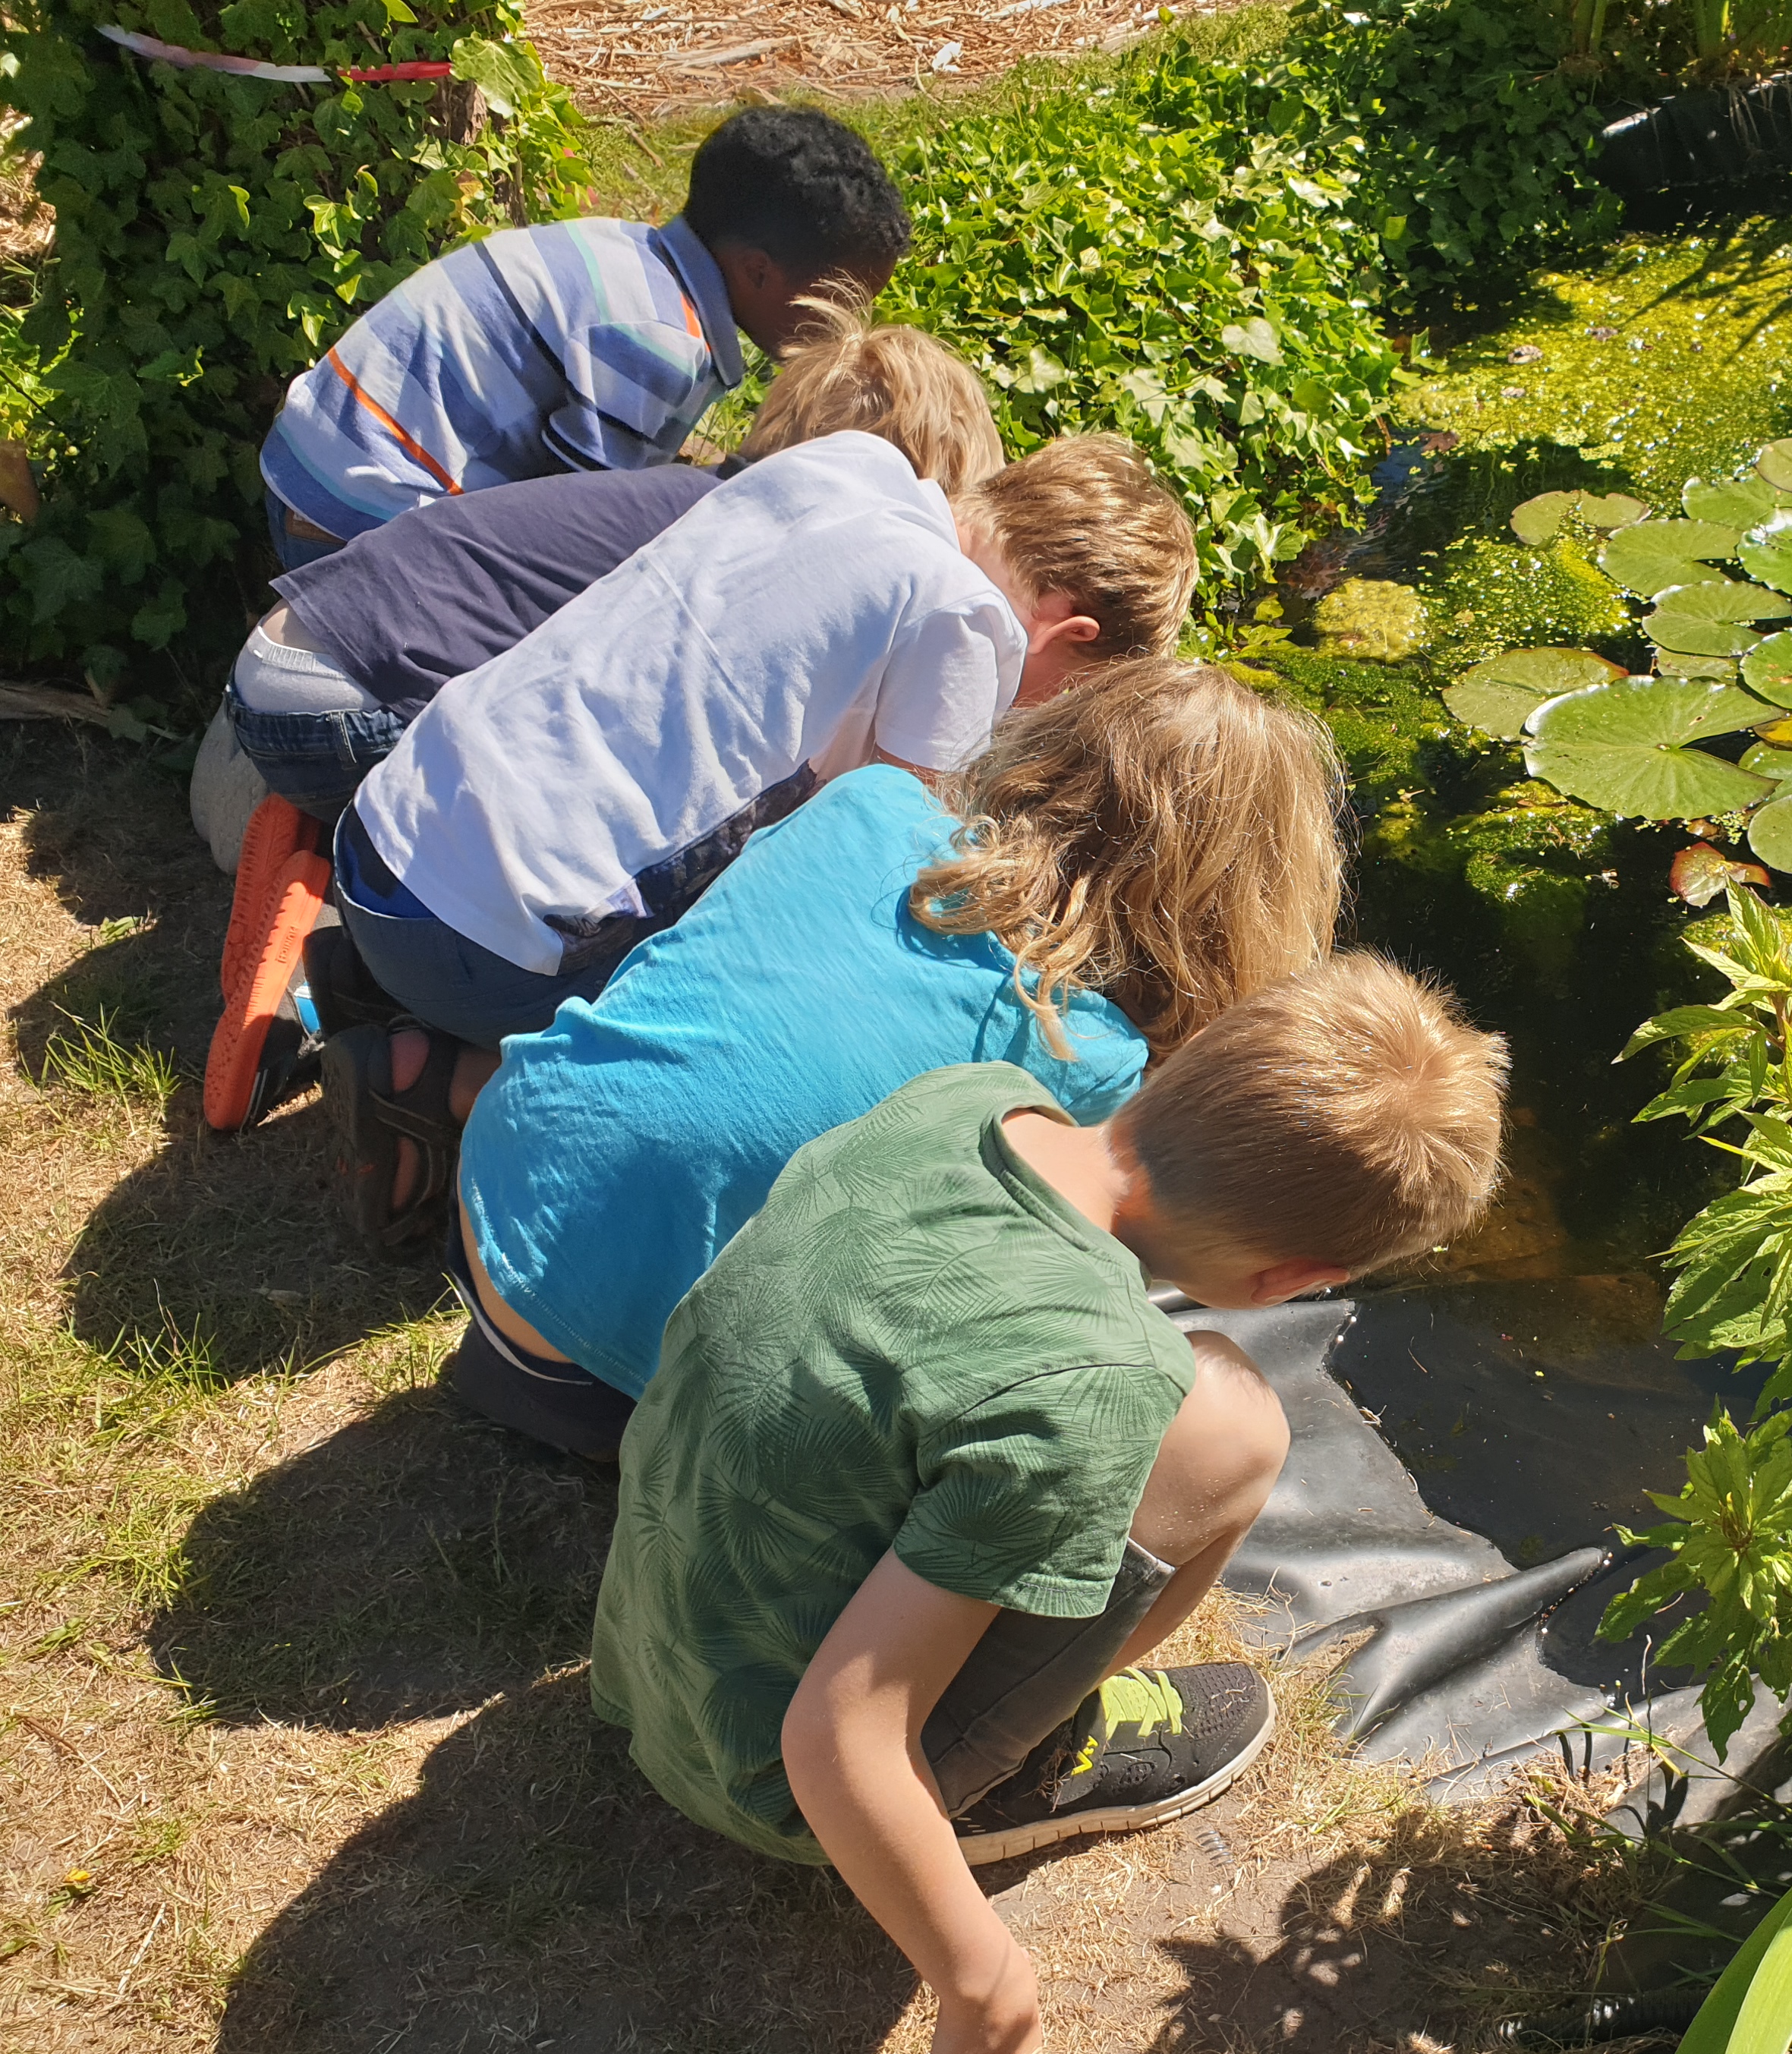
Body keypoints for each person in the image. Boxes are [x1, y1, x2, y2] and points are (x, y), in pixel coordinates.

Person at [588, 953, 1506, 2054]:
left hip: (643, 1640)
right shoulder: (1091, 1381)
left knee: (1129, 1411)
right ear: (1284, 1282)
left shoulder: (970, 1097)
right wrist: (980, 1977)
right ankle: (1033, 1756)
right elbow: (834, 1731)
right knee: (1231, 1418)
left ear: (1185, 1067)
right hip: (757, 1769)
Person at [363, 660, 1348, 1456]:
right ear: (1244, 906)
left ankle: (424, 1089)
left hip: (503, 1192)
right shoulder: (1090, 1057)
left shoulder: (873, 801)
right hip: (626, 1375)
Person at [324, 426, 1194, 1061]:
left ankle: (369, 992)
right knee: (767, 1019)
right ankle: (440, 1085)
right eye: (1068, 700)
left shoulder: (854, 464)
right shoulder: (969, 623)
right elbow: (876, 884)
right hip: (482, 944)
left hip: (385, 828)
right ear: (1066, 630)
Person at [227, 307, 1006, 824]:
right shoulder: (732, 550)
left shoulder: (697, 501)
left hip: (295, 665)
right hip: (344, 707)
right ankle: (359, 991)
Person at [257, 106, 911, 569]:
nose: (852, 323)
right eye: (845, 298)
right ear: (758, 271)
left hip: (318, 468)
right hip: (357, 521)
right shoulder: (660, 342)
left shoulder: (624, 254)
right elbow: (579, 538)